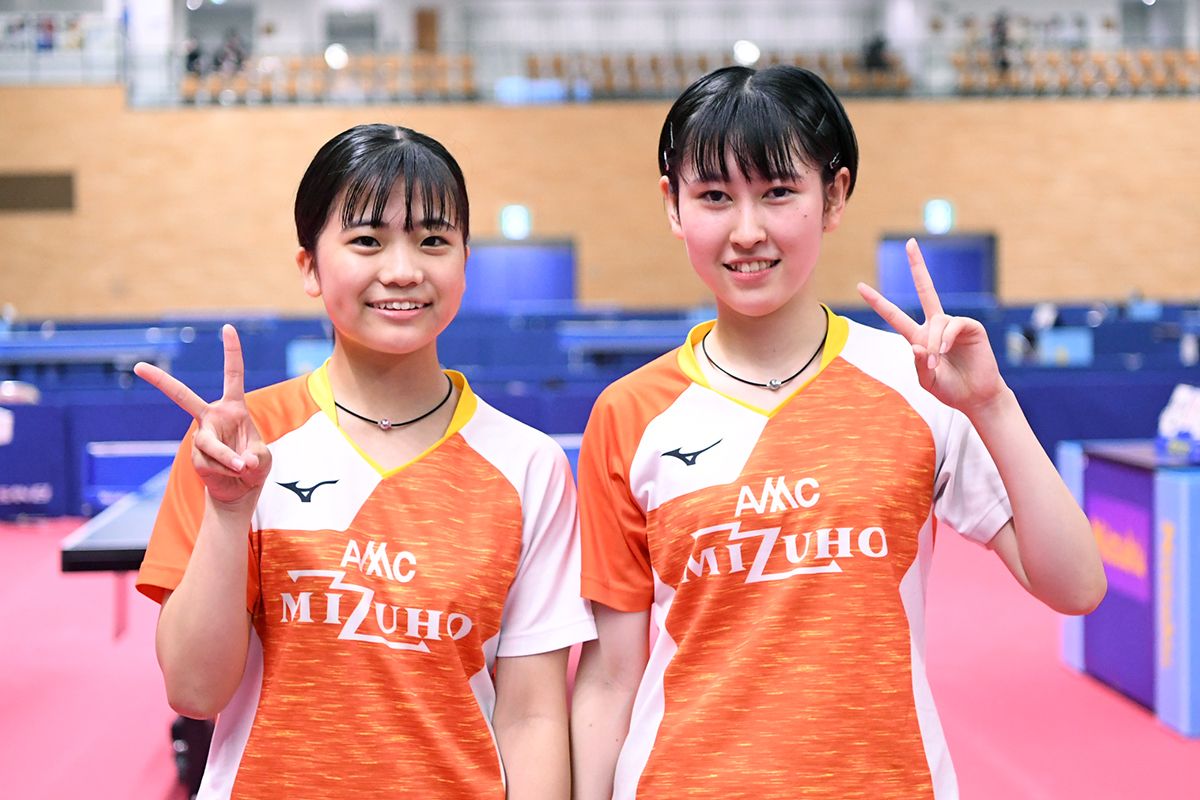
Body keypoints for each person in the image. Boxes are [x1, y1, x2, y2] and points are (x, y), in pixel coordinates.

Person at [569, 65, 1105, 799]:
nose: (747, 231)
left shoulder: (917, 383)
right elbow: (610, 676)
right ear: (674, 205)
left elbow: (1076, 585)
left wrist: (993, 406)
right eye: (715, 196)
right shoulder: (630, 413)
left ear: (834, 195)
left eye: (778, 192)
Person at [135, 123, 594, 799]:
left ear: (464, 260)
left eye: (433, 240)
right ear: (309, 267)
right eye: (367, 240)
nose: (404, 269)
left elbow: (532, 715)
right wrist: (230, 512)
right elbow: (195, 691)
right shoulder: (236, 446)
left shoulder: (529, 466)